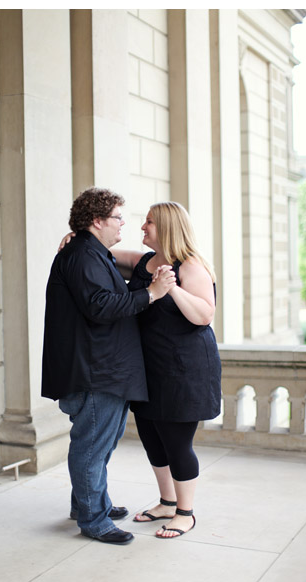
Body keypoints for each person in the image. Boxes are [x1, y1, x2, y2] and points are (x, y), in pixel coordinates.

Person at [60, 201, 220, 538]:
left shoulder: (191, 267)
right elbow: (106, 254)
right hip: (149, 368)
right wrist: (77, 237)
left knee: (177, 442)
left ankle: (185, 512)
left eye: (149, 223)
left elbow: (204, 315)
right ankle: (166, 501)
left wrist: (171, 287)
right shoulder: (145, 261)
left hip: (184, 368)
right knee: (151, 437)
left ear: (167, 228)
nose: (142, 227)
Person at [42, 188, 176, 546]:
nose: (123, 224)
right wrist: (152, 293)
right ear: (97, 221)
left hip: (104, 369)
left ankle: (87, 503)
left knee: (99, 444)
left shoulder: (90, 252)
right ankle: (93, 519)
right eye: (118, 217)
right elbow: (101, 306)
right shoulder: (83, 255)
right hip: (94, 372)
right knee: (91, 447)